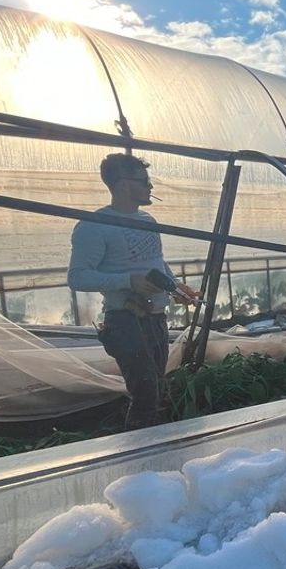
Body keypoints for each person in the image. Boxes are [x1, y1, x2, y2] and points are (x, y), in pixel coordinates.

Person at [68, 153, 198, 430]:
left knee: (156, 387)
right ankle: (138, 459)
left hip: (155, 318)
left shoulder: (148, 220)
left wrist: (175, 287)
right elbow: (78, 277)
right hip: (125, 320)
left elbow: (155, 261)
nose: (150, 187)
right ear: (124, 184)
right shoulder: (94, 226)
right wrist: (129, 281)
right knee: (146, 390)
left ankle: (152, 449)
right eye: (144, 181)